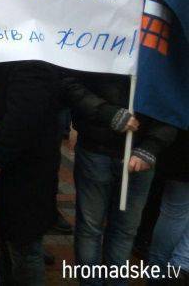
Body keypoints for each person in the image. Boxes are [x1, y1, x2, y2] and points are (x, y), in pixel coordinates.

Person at [62, 71, 176, 285]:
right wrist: (106, 112)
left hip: (138, 152)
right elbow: (69, 82)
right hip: (96, 147)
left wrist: (152, 145)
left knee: (122, 231)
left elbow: (173, 93)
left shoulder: (166, 43)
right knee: (91, 228)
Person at [0, 47, 63, 286]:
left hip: (25, 169)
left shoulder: (34, 56)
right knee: (6, 241)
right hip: (8, 166)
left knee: (24, 248)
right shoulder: (5, 46)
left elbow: (26, 112)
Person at [149, 129, 188, 283]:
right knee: (176, 210)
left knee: (174, 211)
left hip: (176, 138)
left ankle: (167, 270)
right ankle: (178, 267)